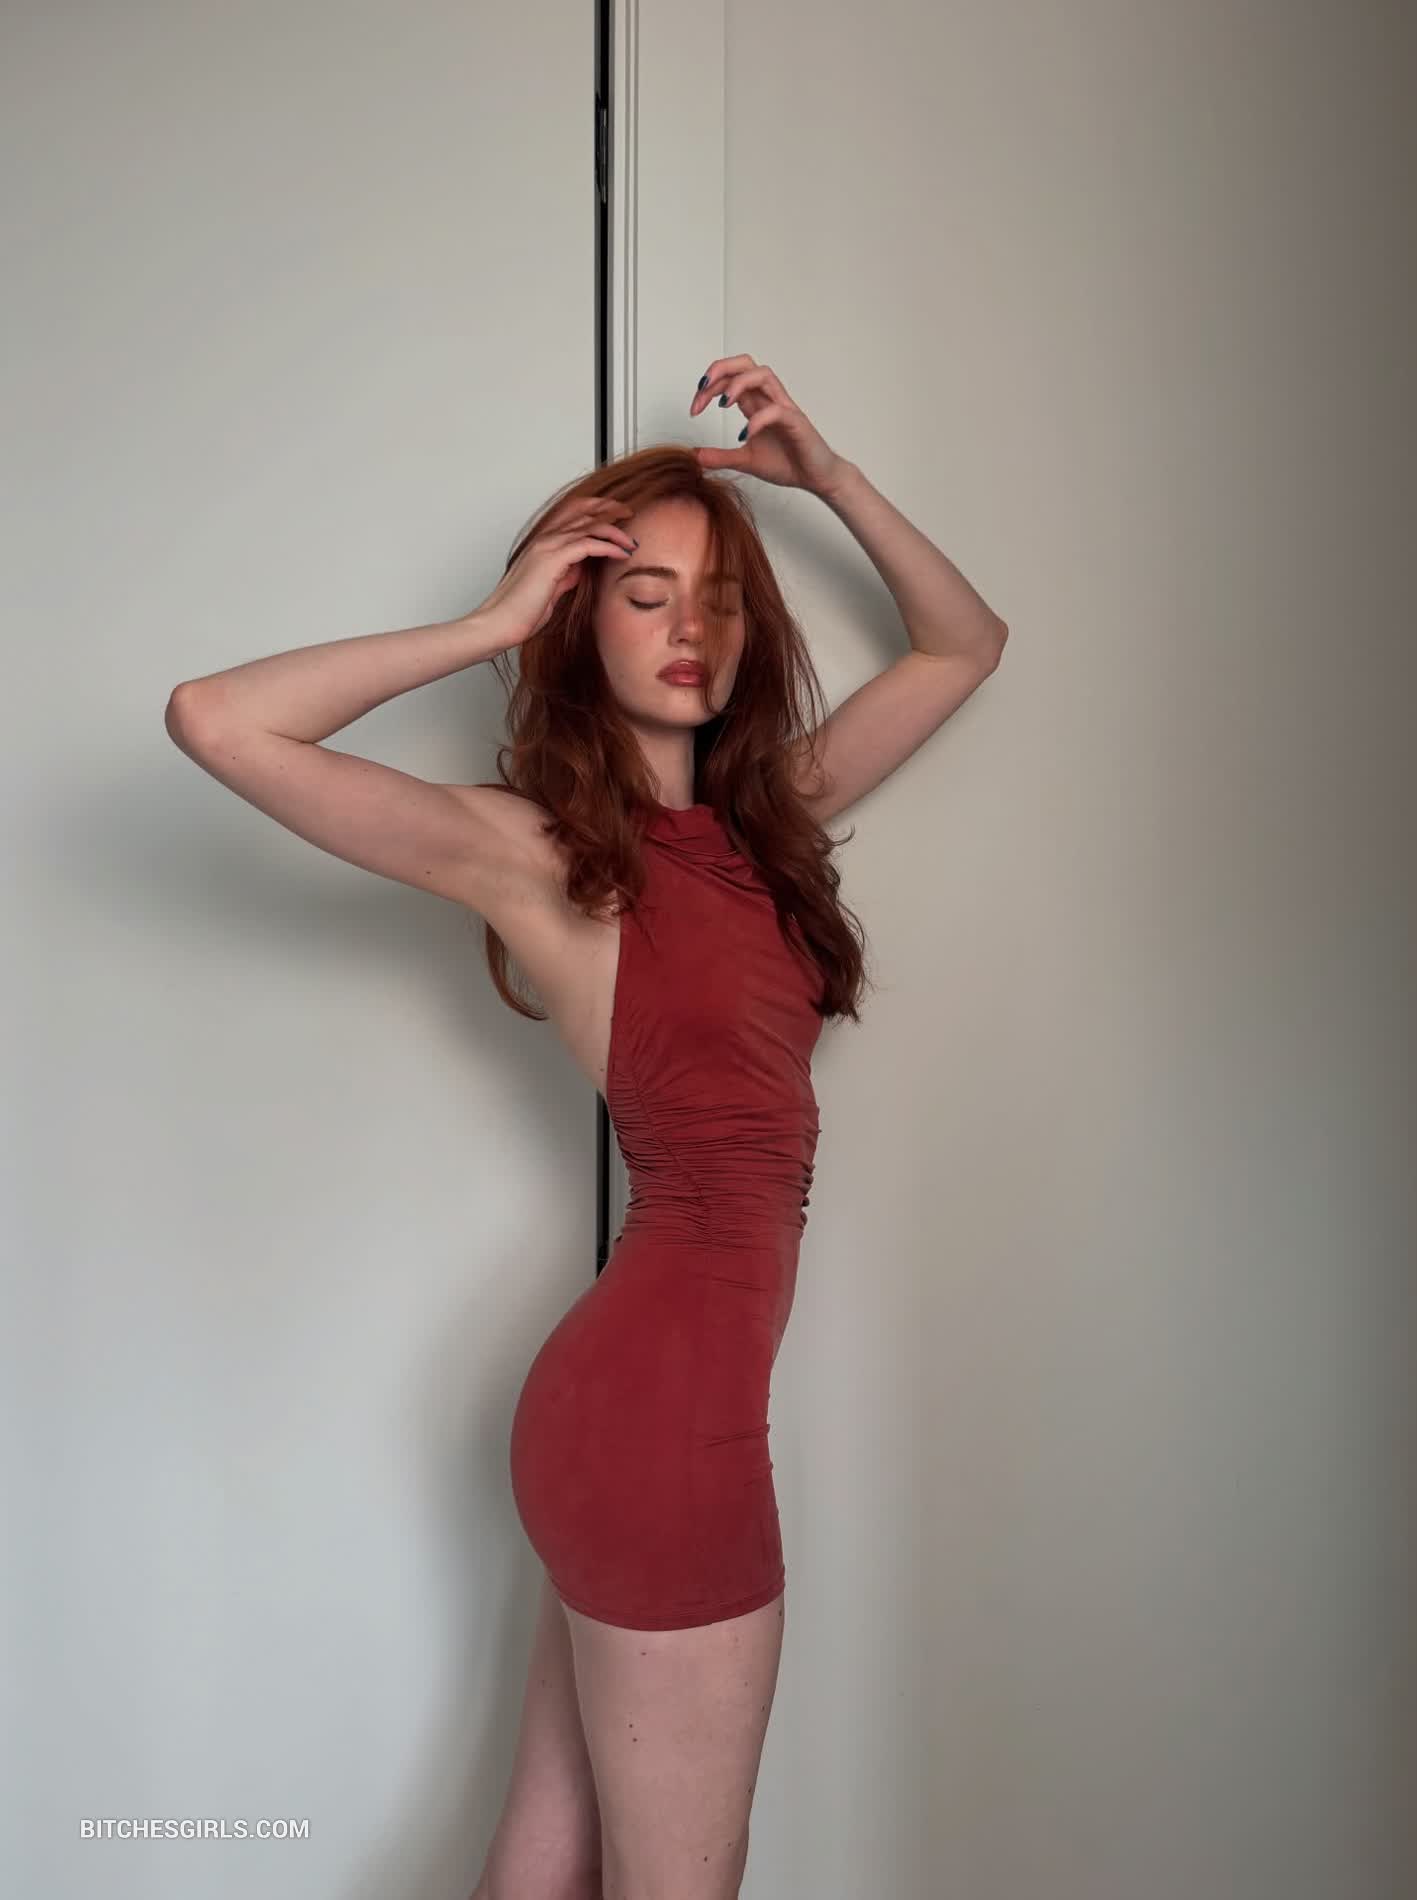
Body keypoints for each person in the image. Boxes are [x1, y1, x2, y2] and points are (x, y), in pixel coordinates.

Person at [164, 354, 1008, 1899]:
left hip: (644, 1411)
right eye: (645, 594)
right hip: (659, 1425)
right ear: (579, 619)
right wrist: (488, 624)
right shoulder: (538, 858)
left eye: (721, 601)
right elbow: (218, 721)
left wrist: (827, 481)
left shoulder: (769, 825)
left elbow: (964, 645)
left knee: (545, 1869)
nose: (693, 630)